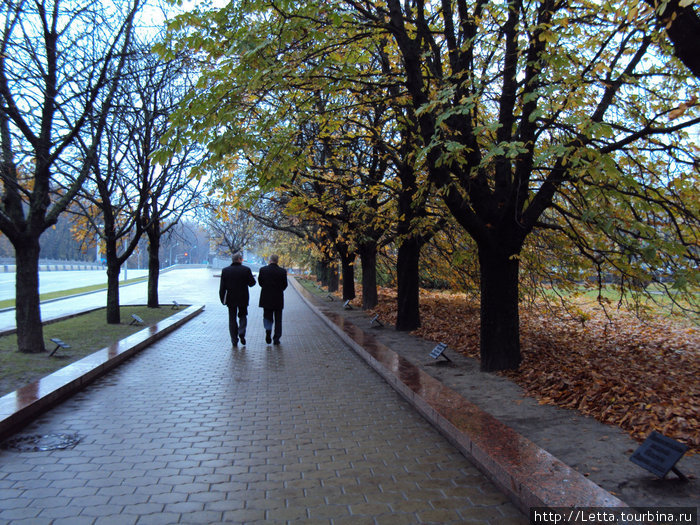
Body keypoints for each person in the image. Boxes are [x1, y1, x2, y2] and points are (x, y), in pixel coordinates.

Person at [219, 253, 256, 347]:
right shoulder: (246, 270)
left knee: (232, 319)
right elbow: (252, 283)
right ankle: (241, 332)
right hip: (243, 298)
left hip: (230, 299)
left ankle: (234, 340)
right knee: (243, 316)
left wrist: (222, 299)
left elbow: (222, 287)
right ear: (240, 259)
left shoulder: (225, 271)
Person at [258, 254, 288, 345]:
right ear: (277, 261)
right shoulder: (282, 271)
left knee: (267, 317)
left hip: (266, 298)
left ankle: (268, 332)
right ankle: (276, 338)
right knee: (278, 319)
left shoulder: (263, 270)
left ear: (270, 260)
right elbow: (285, 285)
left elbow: (260, 282)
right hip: (278, 298)